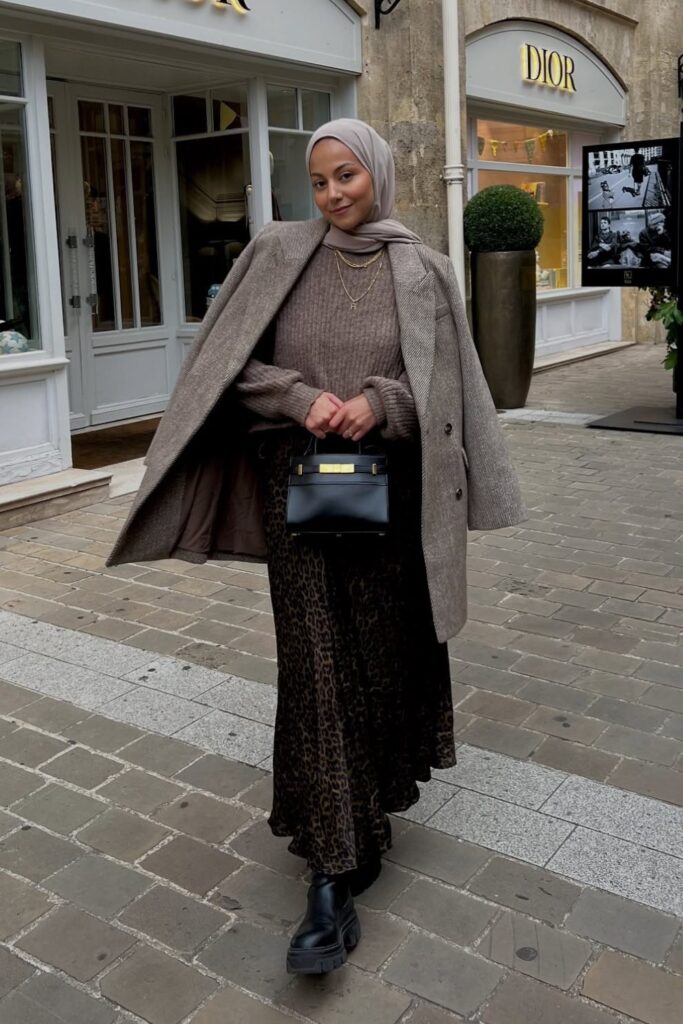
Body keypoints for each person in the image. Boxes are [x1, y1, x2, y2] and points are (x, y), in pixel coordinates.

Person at [107, 118, 526, 975]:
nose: (333, 193)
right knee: (314, 660)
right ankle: (331, 871)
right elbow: (223, 361)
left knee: (380, 651)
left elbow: (444, 381)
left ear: (377, 174)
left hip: (391, 493)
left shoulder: (423, 267)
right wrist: (300, 399)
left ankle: (366, 814)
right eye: (321, 179)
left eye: (347, 176)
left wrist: (380, 403)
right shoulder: (278, 251)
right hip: (297, 482)